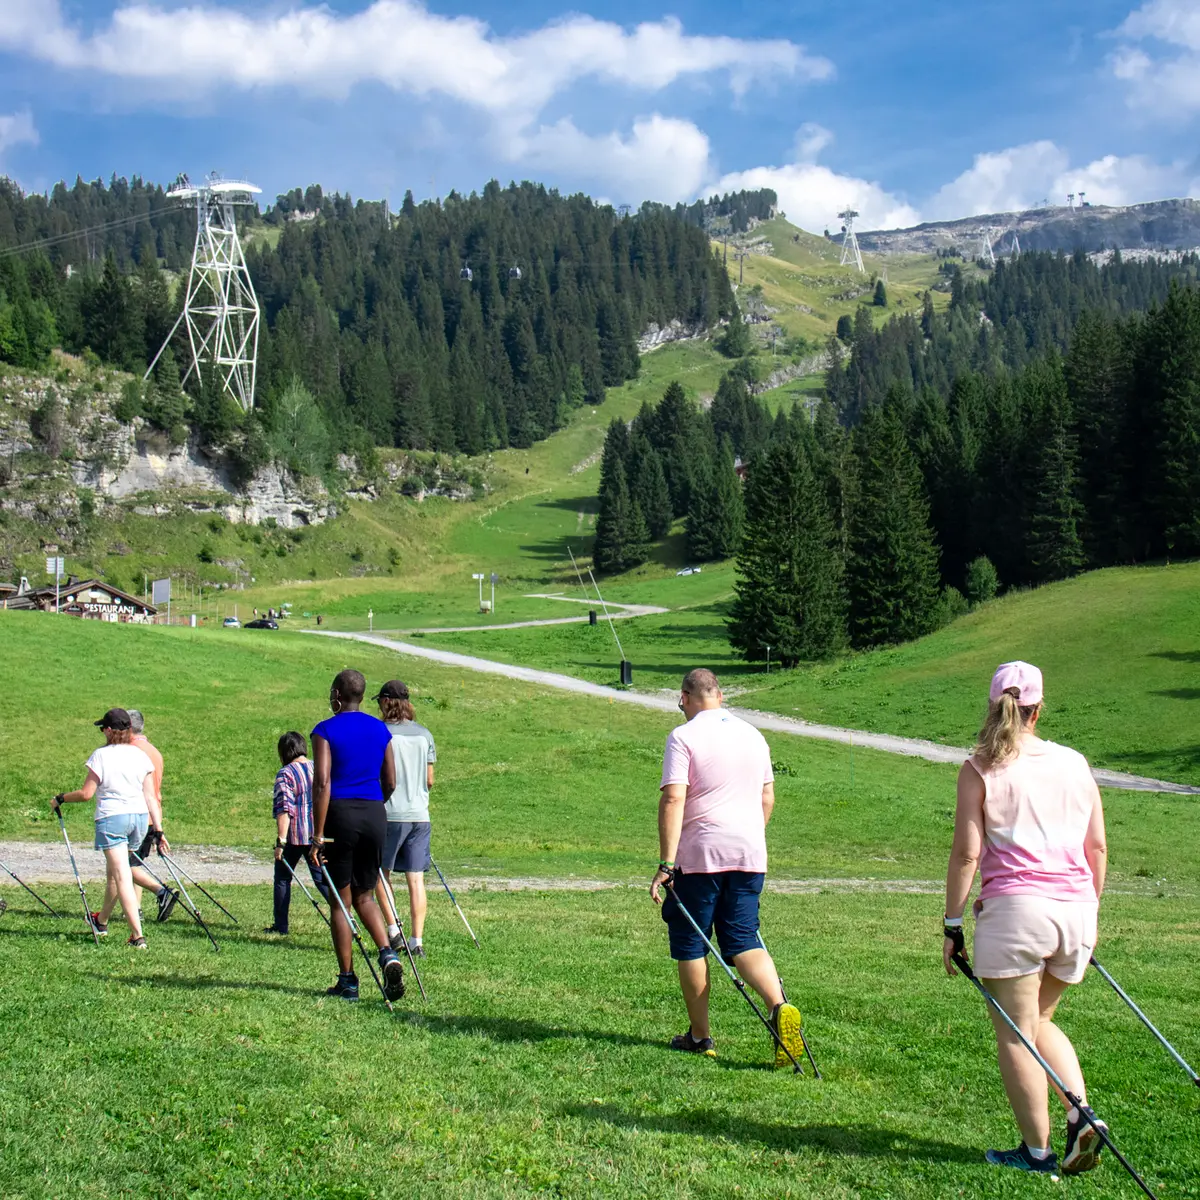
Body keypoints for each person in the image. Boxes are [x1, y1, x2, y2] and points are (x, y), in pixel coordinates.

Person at [943, 661, 1108, 1176]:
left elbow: (968, 855)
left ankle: (1036, 1152)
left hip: (1017, 911)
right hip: (1077, 910)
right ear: (1040, 709)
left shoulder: (979, 768)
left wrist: (952, 925)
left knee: (1016, 1033)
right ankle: (1080, 1114)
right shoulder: (1075, 763)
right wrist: (1090, 912)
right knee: (1039, 1022)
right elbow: (1097, 847)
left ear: (994, 707)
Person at [649, 669, 803, 1065]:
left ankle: (700, 1036)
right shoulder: (753, 735)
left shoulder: (683, 737)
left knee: (691, 941)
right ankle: (779, 1005)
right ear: (720, 695)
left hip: (700, 855)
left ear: (685, 697)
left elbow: (673, 800)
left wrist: (666, 863)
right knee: (743, 938)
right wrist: (748, 834)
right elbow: (767, 797)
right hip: (749, 852)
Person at [310, 669, 405, 1002]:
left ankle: (348, 980)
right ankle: (387, 953)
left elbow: (322, 782)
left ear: (337, 694)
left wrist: (318, 834)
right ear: (362, 696)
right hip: (375, 813)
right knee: (366, 893)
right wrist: (375, 805)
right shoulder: (380, 729)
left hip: (340, 815)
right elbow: (391, 780)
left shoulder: (324, 730)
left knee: (341, 900)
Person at [52, 707, 167, 949]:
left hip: (112, 818)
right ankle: (101, 922)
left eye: (103, 728)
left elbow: (86, 794)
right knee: (120, 872)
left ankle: (137, 936)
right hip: (138, 820)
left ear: (108, 731)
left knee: (122, 876)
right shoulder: (141, 756)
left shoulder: (101, 756)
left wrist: (61, 798)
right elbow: (150, 797)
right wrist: (158, 830)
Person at [374, 680, 436, 958]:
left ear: (387, 702)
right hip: (420, 815)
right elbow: (430, 780)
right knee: (416, 879)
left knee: (379, 872)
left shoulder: (381, 733)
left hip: (390, 813)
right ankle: (417, 940)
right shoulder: (425, 734)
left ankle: (393, 928)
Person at [266, 731, 330, 934]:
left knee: (283, 878)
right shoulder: (317, 767)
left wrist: (281, 841)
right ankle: (345, 914)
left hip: (295, 835)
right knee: (322, 879)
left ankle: (281, 926)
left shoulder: (286, 773)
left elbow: (285, 808)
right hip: (317, 835)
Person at [126, 709, 179, 922]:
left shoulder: (130, 751)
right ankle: (135, 908)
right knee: (135, 863)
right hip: (152, 814)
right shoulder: (154, 751)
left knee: (124, 866)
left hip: (136, 814)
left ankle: (161, 891)